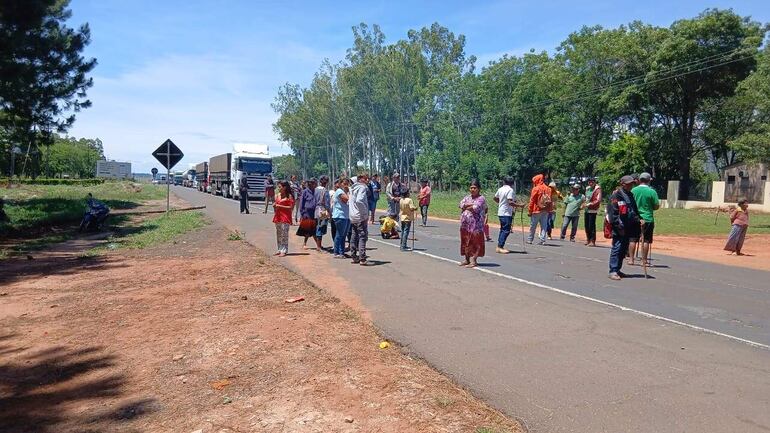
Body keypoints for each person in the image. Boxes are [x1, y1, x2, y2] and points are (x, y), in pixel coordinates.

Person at [607, 175, 640, 280]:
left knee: (623, 249)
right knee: (617, 248)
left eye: (631, 183)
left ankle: (618, 269)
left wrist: (639, 219)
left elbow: (633, 210)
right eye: (628, 184)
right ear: (623, 184)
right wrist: (618, 226)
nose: (631, 185)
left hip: (628, 226)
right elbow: (613, 214)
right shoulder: (616, 196)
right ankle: (613, 270)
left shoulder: (630, 195)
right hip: (619, 227)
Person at [629, 172, 660, 266]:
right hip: (648, 218)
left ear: (639, 180)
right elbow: (656, 206)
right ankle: (644, 260)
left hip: (635, 218)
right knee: (646, 240)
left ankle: (631, 260)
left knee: (633, 239)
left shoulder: (633, 190)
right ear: (648, 181)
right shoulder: (652, 191)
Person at [458, 179, 486, 268]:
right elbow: (460, 204)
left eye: (474, 188)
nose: (472, 190)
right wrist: (467, 206)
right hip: (465, 225)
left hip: (476, 226)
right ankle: (467, 259)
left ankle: (474, 260)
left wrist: (466, 206)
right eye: (471, 188)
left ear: (479, 189)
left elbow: (476, 207)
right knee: (466, 241)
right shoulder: (467, 197)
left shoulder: (481, 198)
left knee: (476, 243)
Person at [493, 176, 519, 254]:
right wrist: (519, 205)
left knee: (502, 229)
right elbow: (510, 201)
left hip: (501, 211)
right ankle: (500, 246)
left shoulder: (500, 189)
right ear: (512, 183)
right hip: (506, 213)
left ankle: (499, 245)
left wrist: (501, 202)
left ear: (504, 182)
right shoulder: (510, 190)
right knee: (506, 230)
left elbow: (495, 198)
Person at [349, 173, 371, 265]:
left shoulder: (352, 188)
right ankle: (362, 258)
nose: (367, 181)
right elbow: (359, 201)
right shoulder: (361, 187)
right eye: (366, 179)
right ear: (360, 179)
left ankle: (354, 256)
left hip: (353, 215)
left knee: (354, 236)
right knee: (362, 236)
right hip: (360, 215)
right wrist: (364, 214)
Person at [527, 174, 552, 245]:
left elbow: (532, 201)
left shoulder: (536, 189)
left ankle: (530, 239)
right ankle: (542, 240)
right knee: (544, 226)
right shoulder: (548, 189)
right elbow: (550, 200)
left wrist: (530, 211)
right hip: (545, 210)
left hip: (536, 210)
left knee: (533, 226)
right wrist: (550, 209)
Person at [272, 180, 295, 257]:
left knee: (284, 234)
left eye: (280, 187)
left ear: (285, 187)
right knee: (278, 234)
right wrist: (275, 206)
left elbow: (290, 207)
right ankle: (279, 249)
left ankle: (284, 250)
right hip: (278, 217)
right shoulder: (277, 195)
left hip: (285, 217)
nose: (279, 188)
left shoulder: (289, 196)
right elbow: (276, 206)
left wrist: (279, 206)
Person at [331, 178, 350, 258]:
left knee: (343, 235)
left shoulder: (343, 191)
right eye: (344, 183)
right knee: (339, 234)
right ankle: (336, 252)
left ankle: (341, 252)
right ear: (340, 183)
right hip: (340, 216)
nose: (346, 185)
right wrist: (348, 192)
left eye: (347, 183)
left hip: (345, 215)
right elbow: (346, 199)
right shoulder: (339, 191)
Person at [296, 178, 318, 249]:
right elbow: (302, 203)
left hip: (314, 213)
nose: (315, 184)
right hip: (307, 213)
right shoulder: (305, 191)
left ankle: (318, 245)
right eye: (314, 183)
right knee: (307, 229)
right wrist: (302, 213)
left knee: (314, 229)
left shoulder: (316, 191)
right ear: (310, 184)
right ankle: (305, 243)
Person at [313, 175, 331, 251]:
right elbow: (327, 203)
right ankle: (319, 246)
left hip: (316, 210)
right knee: (320, 227)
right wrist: (329, 212)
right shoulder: (325, 191)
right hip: (323, 210)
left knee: (318, 226)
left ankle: (319, 245)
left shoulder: (315, 190)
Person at [584, 177, 602, 246]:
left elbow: (598, 200)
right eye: (589, 182)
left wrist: (590, 204)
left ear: (595, 182)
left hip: (592, 210)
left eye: (592, 182)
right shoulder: (587, 189)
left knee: (591, 225)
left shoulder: (598, 190)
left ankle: (592, 240)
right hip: (587, 209)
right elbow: (586, 198)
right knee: (586, 225)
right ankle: (588, 239)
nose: (590, 183)